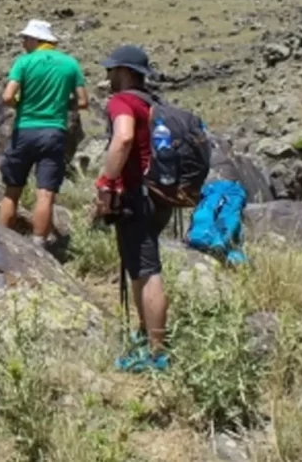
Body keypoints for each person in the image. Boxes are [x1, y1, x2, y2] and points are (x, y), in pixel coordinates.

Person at [96, 45, 172, 373]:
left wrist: (105, 182)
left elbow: (124, 138)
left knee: (146, 270)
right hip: (158, 194)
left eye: (112, 70)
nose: (108, 76)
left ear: (124, 72)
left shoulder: (122, 101)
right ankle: (145, 336)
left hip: (136, 195)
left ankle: (157, 353)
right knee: (141, 268)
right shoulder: (152, 103)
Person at [0, 19, 88, 249]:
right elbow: (83, 101)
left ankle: (1, 242)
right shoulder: (70, 64)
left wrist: (22, 106)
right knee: (45, 193)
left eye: (26, 38)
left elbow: (7, 97)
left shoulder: (24, 62)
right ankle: (39, 245)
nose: (22, 43)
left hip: (24, 131)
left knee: (11, 192)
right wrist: (60, 107)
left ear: (38, 40)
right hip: (53, 132)